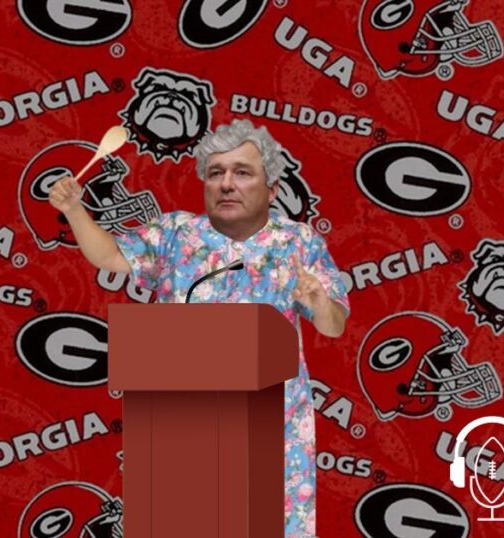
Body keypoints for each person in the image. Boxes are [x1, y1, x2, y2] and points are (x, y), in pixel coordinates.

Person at [49, 118, 350, 538]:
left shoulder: (297, 243)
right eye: (215, 172)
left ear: (273, 189)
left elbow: (334, 325)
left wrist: (319, 302)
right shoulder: (175, 234)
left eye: (242, 172)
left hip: (273, 433)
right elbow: (111, 256)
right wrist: (73, 210)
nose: (226, 183)